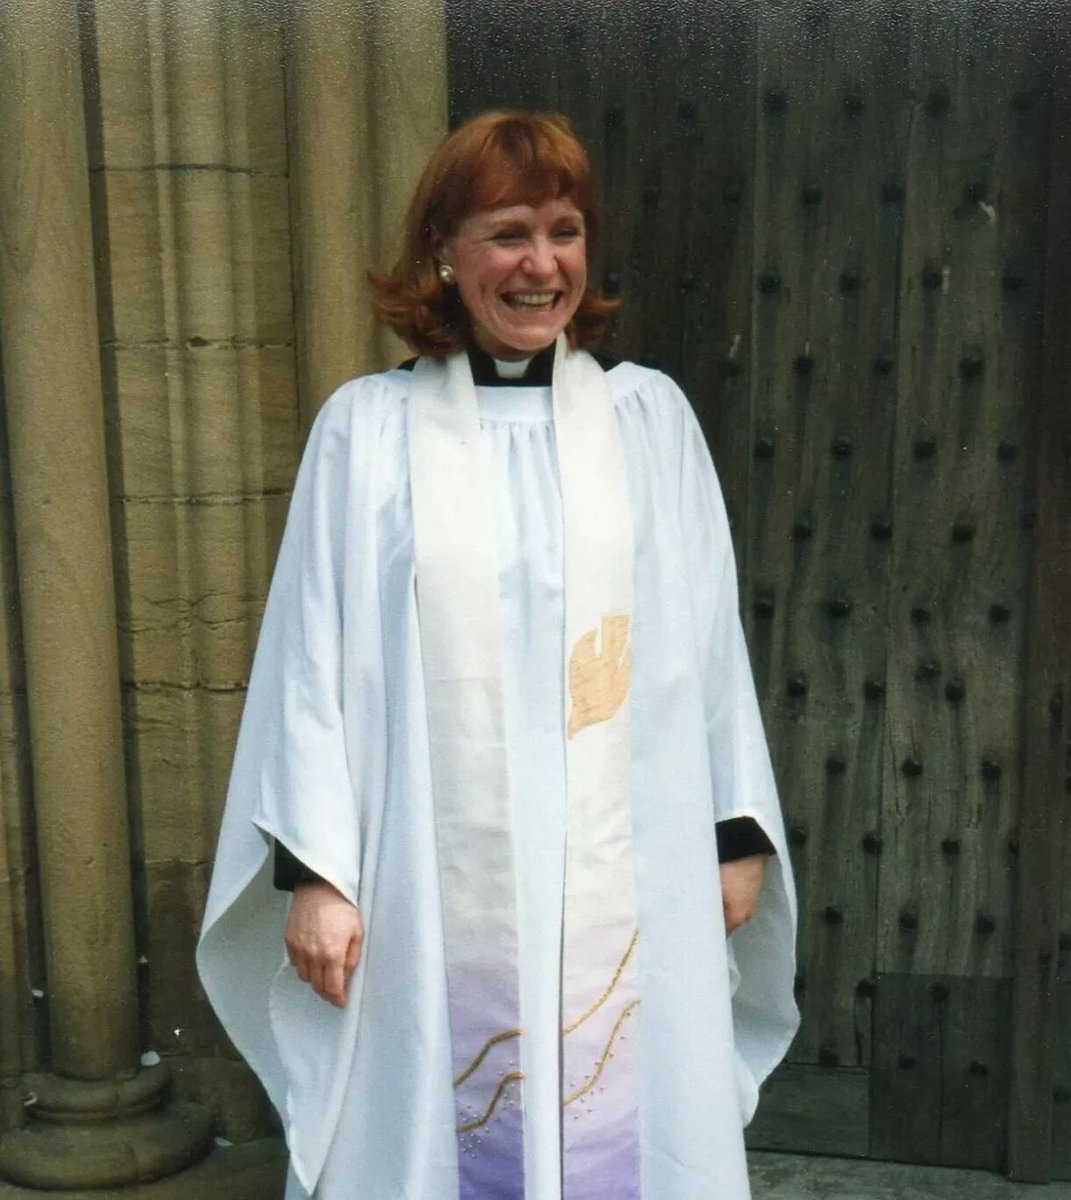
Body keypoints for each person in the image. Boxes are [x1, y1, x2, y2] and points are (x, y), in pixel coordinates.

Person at [198, 111, 798, 1200]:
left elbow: (707, 643)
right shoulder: (366, 433)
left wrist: (735, 833)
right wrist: (318, 876)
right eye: (507, 232)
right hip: (429, 884)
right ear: (444, 250)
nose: (541, 264)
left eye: (564, 231)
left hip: (628, 869)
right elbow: (309, 662)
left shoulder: (647, 421)